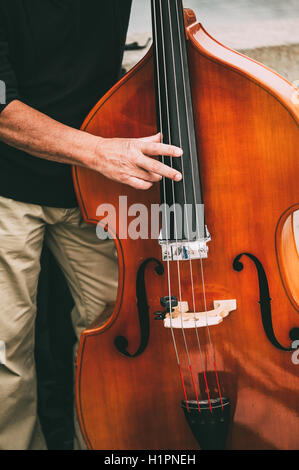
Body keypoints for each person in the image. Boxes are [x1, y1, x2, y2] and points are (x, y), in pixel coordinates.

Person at [0, 0, 182, 450]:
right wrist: (99, 152)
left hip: (95, 186)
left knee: (115, 335)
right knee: (5, 351)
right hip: (10, 182)